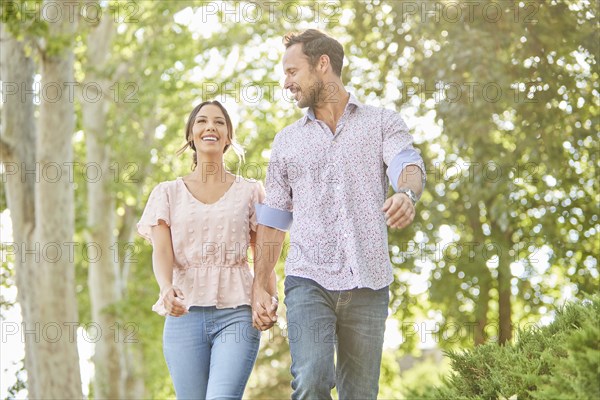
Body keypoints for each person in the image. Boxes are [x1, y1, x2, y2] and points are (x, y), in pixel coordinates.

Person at [251, 30, 426, 399]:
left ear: (323, 65)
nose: (287, 83)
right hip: (308, 279)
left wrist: (406, 194)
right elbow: (274, 217)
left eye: (292, 71)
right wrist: (259, 283)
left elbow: (406, 163)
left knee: (360, 395)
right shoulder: (287, 141)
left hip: (369, 281)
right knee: (312, 377)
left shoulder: (381, 122)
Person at [137, 100, 277, 399]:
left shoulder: (251, 191)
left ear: (229, 137)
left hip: (237, 313)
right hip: (184, 315)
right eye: (201, 121)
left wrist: (267, 296)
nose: (210, 126)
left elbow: (263, 252)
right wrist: (165, 288)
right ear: (191, 134)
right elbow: (161, 252)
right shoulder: (167, 192)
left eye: (219, 122)